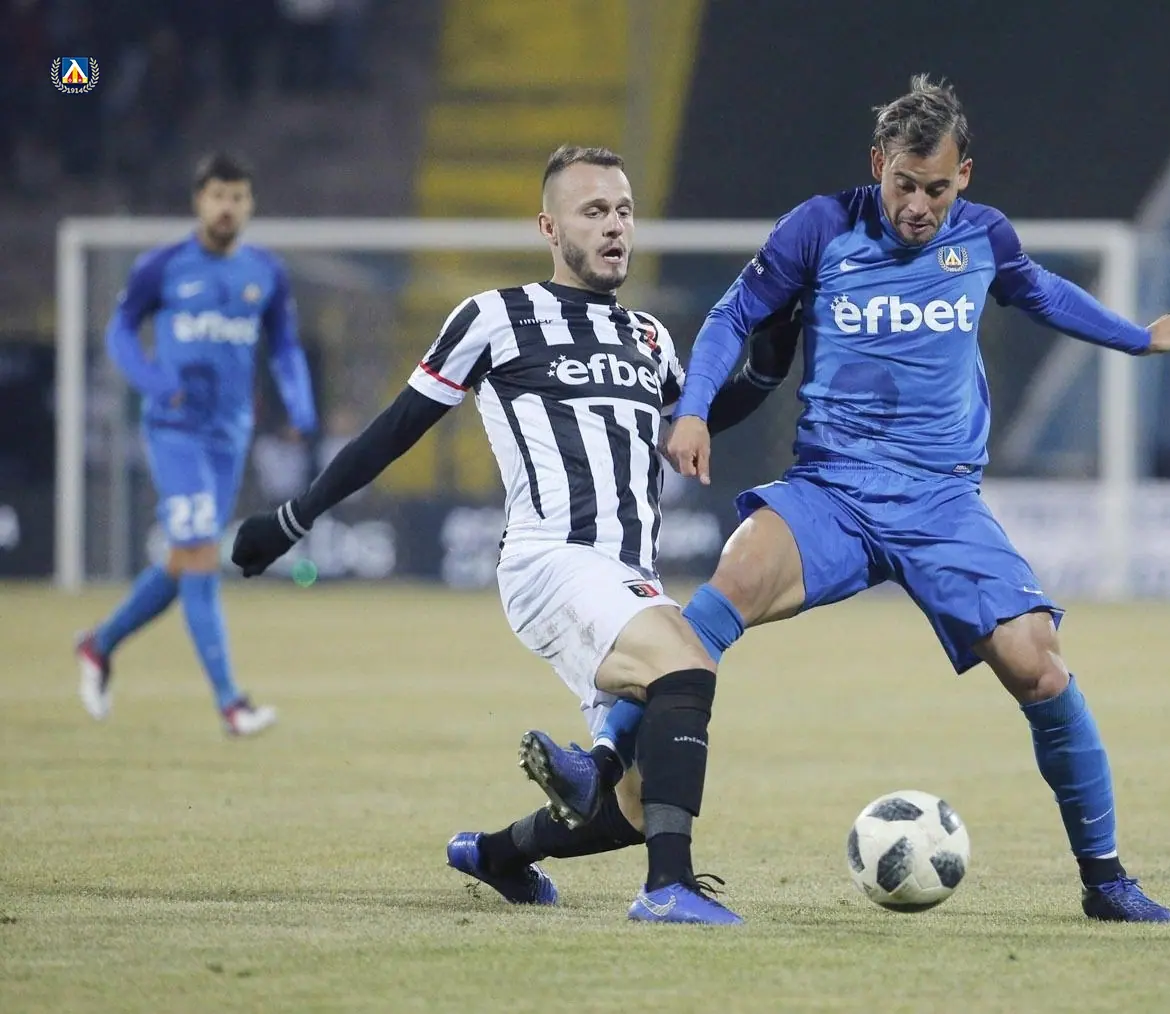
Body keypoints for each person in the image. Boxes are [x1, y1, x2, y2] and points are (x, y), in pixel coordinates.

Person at [527, 76, 1170, 923]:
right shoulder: (820, 227)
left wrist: (1139, 338)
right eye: (902, 184)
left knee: (1039, 667)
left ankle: (1104, 879)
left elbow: (1041, 293)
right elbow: (732, 315)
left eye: (936, 188)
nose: (917, 206)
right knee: (718, 599)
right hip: (832, 491)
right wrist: (695, 407)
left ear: (964, 175)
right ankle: (597, 763)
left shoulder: (984, 236)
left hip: (941, 503)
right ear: (876, 164)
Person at [228, 144, 790, 925]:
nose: (615, 226)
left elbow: (692, 422)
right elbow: (397, 427)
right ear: (549, 227)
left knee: (635, 804)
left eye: (623, 211)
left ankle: (496, 855)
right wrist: (293, 516)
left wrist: (762, 371)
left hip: (627, 576)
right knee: (686, 662)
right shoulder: (494, 317)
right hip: (553, 560)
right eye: (593, 212)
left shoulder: (648, 337)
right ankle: (669, 889)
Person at [77, 152, 317, 737]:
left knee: (186, 559)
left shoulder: (265, 271)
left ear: (250, 204)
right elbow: (120, 331)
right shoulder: (162, 266)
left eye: (237, 197)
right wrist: (156, 382)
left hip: (229, 436)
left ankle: (99, 644)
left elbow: (285, 345)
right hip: (175, 431)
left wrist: (300, 404)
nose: (226, 207)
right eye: (217, 196)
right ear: (198, 202)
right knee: (202, 555)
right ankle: (232, 704)